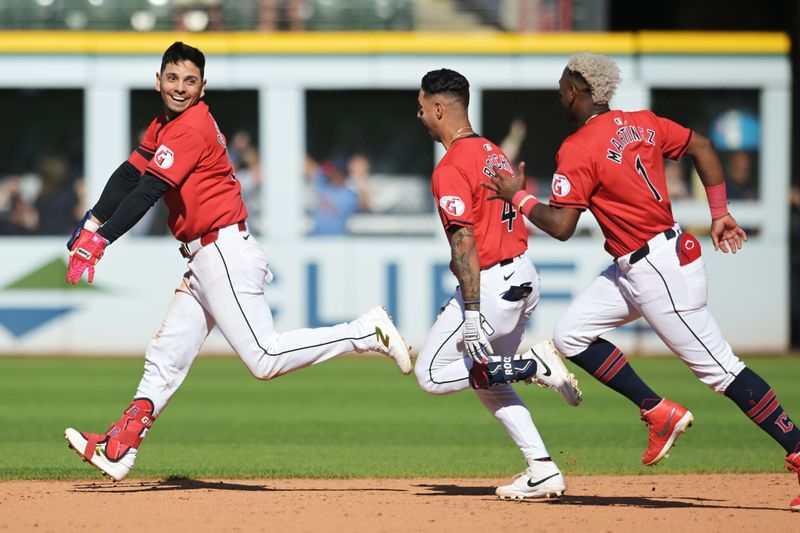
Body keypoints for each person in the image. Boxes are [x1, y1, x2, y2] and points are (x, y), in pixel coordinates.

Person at [62, 42, 412, 482]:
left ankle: (364, 332)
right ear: (158, 80)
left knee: (264, 358)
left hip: (222, 252)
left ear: (202, 87)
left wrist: (103, 239)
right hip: (205, 256)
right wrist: (94, 219)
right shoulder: (163, 124)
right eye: (172, 78)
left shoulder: (191, 127)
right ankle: (119, 447)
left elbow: (149, 191)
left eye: (190, 81)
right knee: (166, 356)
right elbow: (130, 174)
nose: (179, 87)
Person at [482, 52, 800, 510]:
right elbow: (704, 147)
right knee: (571, 335)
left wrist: (519, 196)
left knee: (722, 371)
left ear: (577, 91)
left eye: (562, 86)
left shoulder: (578, 147)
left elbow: (562, 226)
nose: (560, 93)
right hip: (638, 265)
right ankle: (657, 411)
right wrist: (720, 212)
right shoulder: (643, 123)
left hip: (659, 271)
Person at [413, 68, 582, 501]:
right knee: (490, 383)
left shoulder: (450, 166)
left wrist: (469, 313)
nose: (419, 116)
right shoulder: (491, 152)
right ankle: (542, 469)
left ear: (438, 108)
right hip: (522, 275)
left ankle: (533, 366)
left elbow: (464, 242)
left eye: (421, 107)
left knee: (430, 375)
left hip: (491, 285)